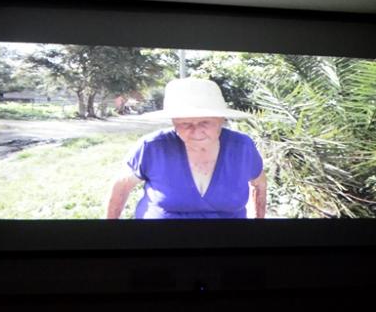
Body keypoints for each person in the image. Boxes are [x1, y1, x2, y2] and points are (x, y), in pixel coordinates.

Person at [106, 78, 267, 219]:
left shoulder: (242, 147)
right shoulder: (152, 147)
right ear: (174, 122)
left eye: (205, 122)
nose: (196, 131)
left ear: (221, 120)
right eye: (185, 124)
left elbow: (260, 185)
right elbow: (121, 187)